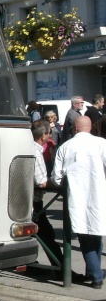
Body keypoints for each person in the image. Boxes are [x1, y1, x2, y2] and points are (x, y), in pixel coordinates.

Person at [52, 116, 106, 289]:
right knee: (95, 234)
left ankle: (96, 275)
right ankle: (94, 272)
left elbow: (56, 176)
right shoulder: (101, 144)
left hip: (76, 196)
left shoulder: (66, 147)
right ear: (90, 128)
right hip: (98, 194)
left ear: (75, 128)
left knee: (85, 236)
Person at [31, 121, 64, 268]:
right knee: (47, 235)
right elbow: (40, 181)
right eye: (49, 132)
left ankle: (31, 264)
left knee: (36, 234)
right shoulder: (36, 151)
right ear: (44, 135)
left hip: (29, 201)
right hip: (33, 202)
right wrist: (56, 182)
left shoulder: (30, 147)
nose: (51, 134)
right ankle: (61, 269)